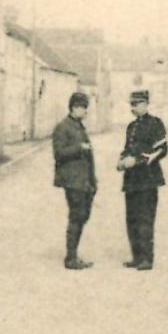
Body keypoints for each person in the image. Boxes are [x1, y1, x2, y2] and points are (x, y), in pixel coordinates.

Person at [116, 89, 168, 270]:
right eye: (131, 104)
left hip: (148, 179)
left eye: (136, 104)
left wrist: (137, 161)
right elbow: (126, 148)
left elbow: (161, 151)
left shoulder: (156, 124)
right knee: (132, 218)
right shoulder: (131, 126)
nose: (133, 108)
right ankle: (136, 257)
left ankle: (147, 258)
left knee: (145, 218)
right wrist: (121, 160)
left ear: (146, 104)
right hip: (131, 180)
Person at [52, 92, 97, 269]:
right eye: (83, 108)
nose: (85, 111)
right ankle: (71, 258)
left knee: (83, 216)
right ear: (74, 108)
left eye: (86, 107)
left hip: (84, 181)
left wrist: (93, 180)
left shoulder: (79, 126)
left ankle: (73, 254)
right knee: (76, 216)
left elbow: (89, 157)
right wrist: (79, 147)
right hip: (72, 181)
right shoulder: (62, 127)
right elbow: (59, 153)